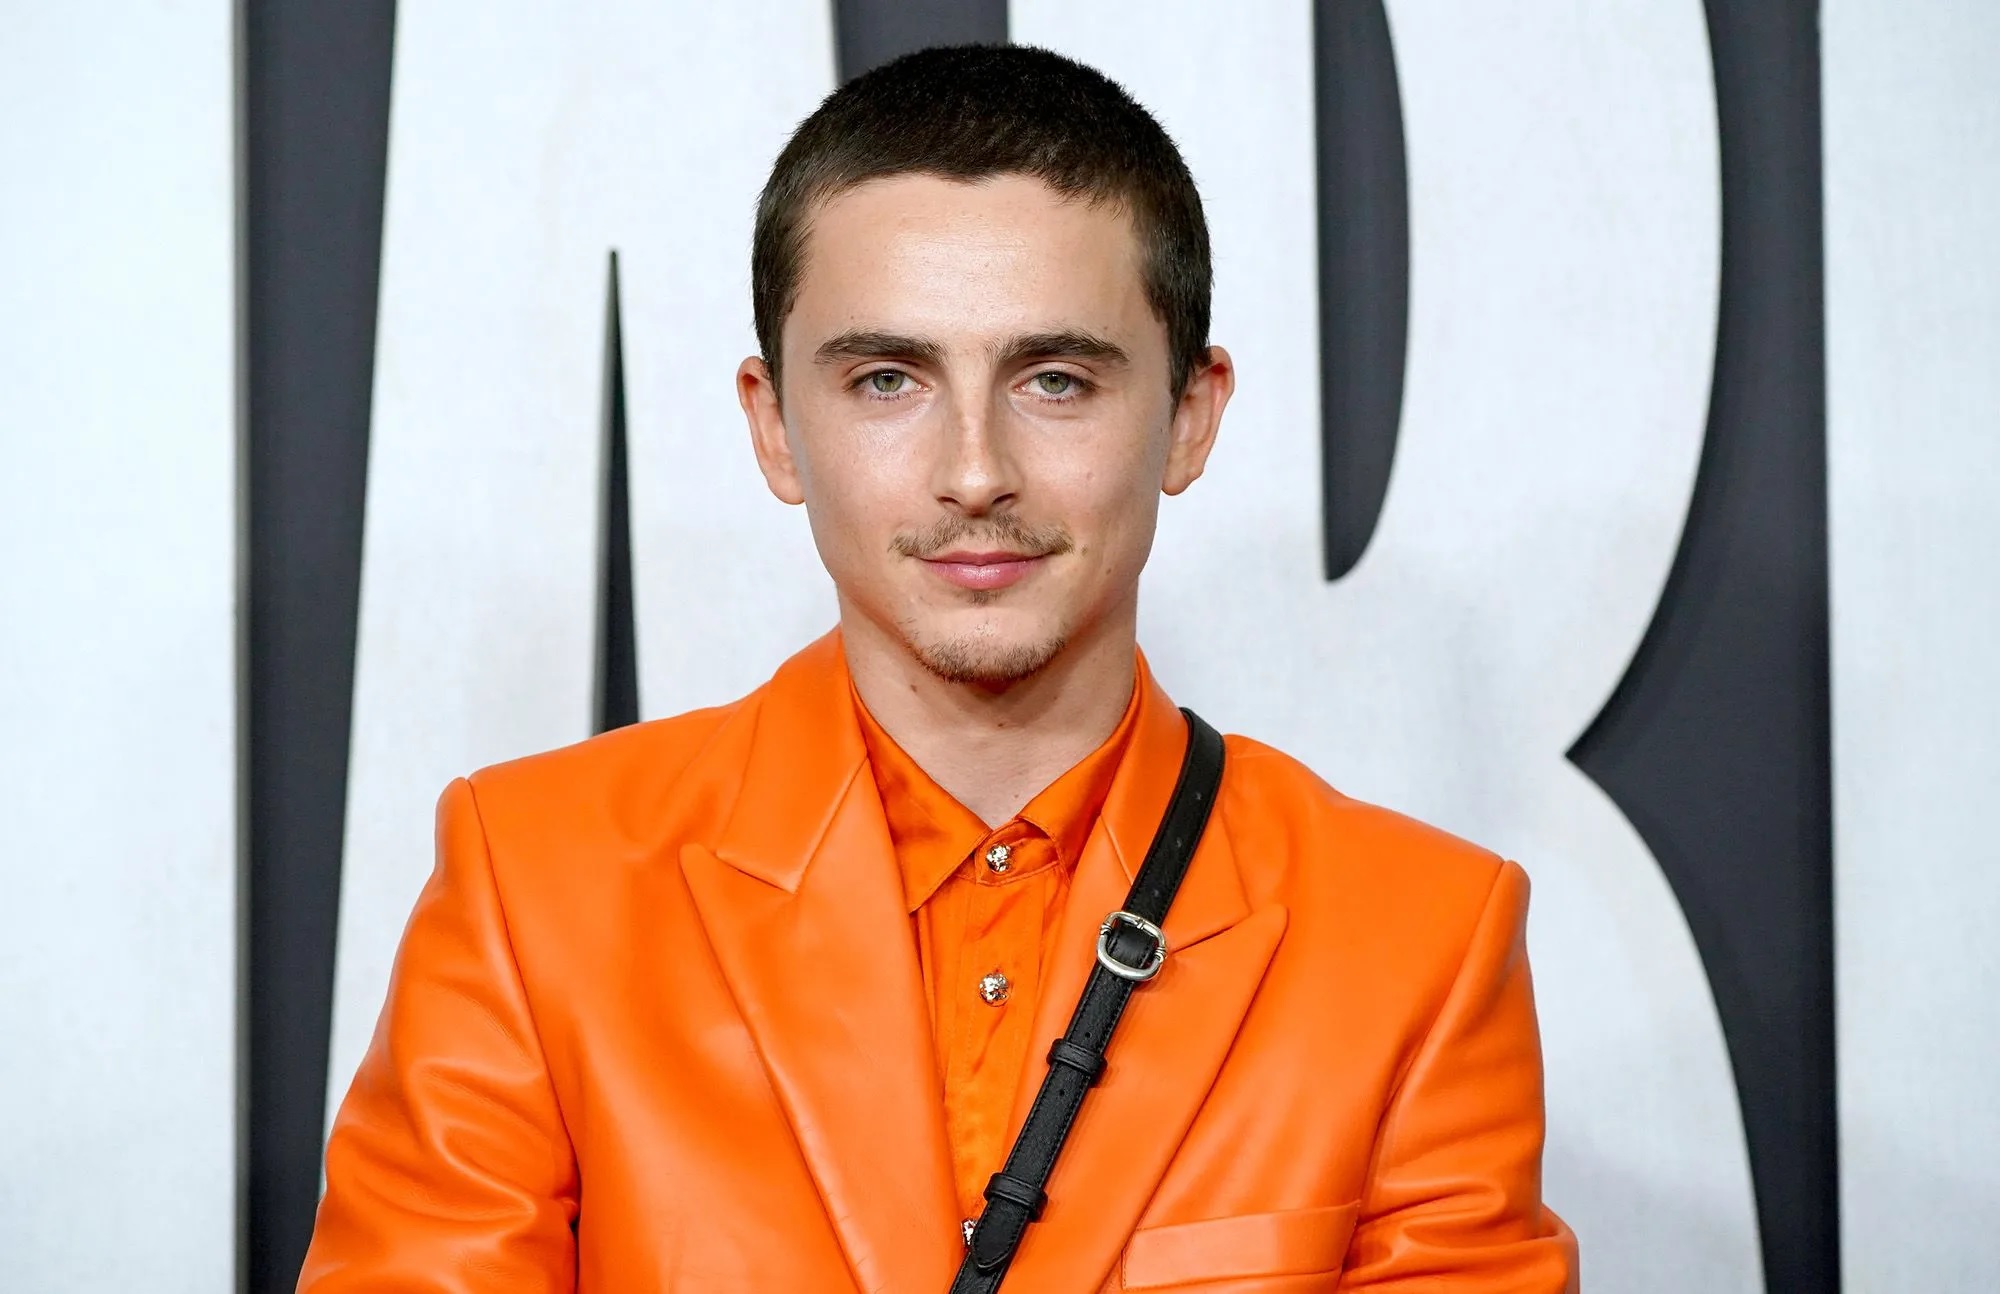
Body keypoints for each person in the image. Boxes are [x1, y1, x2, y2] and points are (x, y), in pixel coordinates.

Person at [299, 44, 1576, 1293]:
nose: (974, 472)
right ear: (773, 426)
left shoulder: (1418, 941)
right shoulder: (534, 887)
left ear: (1190, 415)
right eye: (886, 379)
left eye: (1055, 380)